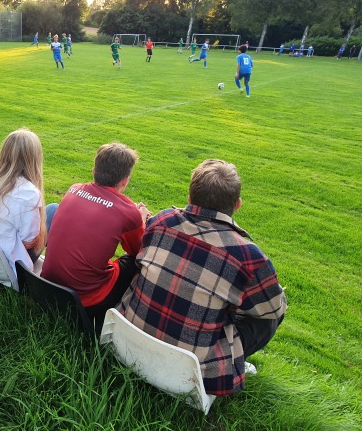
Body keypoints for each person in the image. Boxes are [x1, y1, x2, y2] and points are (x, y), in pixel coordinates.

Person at [118, 159, 287, 397]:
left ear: (190, 196)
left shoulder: (161, 220)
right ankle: (233, 362)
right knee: (266, 318)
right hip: (192, 368)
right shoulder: (247, 256)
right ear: (237, 205)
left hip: (129, 338)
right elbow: (274, 310)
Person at [41, 143, 151, 328]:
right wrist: (141, 222)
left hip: (47, 284)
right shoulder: (128, 211)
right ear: (125, 180)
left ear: (94, 171)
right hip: (88, 299)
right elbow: (137, 250)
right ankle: (130, 312)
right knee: (136, 262)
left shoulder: (74, 188)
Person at [0, 129, 57, 275]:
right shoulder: (29, 194)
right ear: (35, 158)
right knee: (53, 210)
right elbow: (29, 240)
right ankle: (54, 270)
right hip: (8, 265)